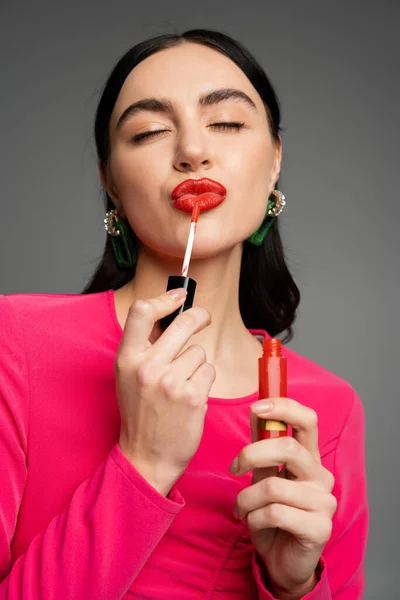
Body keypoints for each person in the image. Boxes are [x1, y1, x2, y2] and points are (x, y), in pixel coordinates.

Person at [0, 29, 368, 599]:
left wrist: (291, 584)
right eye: (149, 132)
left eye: (226, 123)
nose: (192, 151)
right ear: (111, 186)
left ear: (275, 162)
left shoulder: (327, 407)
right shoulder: (14, 343)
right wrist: (143, 464)